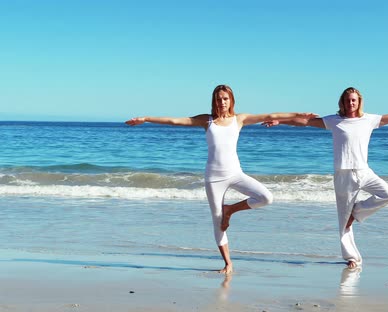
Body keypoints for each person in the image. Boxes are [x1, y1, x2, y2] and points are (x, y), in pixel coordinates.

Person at [126, 84, 316, 274]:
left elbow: (271, 116)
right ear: (214, 101)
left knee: (266, 197)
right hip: (213, 178)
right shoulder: (206, 121)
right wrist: (146, 119)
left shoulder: (239, 119)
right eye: (218, 99)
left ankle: (230, 209)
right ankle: (228, 264)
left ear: (231, 100)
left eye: (225, 98)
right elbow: (176, 121)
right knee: (217, 223)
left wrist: (300, 114)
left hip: (235, 174)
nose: (222, 102)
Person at [266, 87, 388, 269]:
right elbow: (304, 122)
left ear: (359, 102)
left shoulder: (369, 120)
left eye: (354, 100)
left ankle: (356, 213)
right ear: (342, 102)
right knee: (343, 222)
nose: (351, 103)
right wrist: (280, 121)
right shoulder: (334, 121)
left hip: (364, 171)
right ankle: (352, 258)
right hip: (343, 174)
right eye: (348, 100)